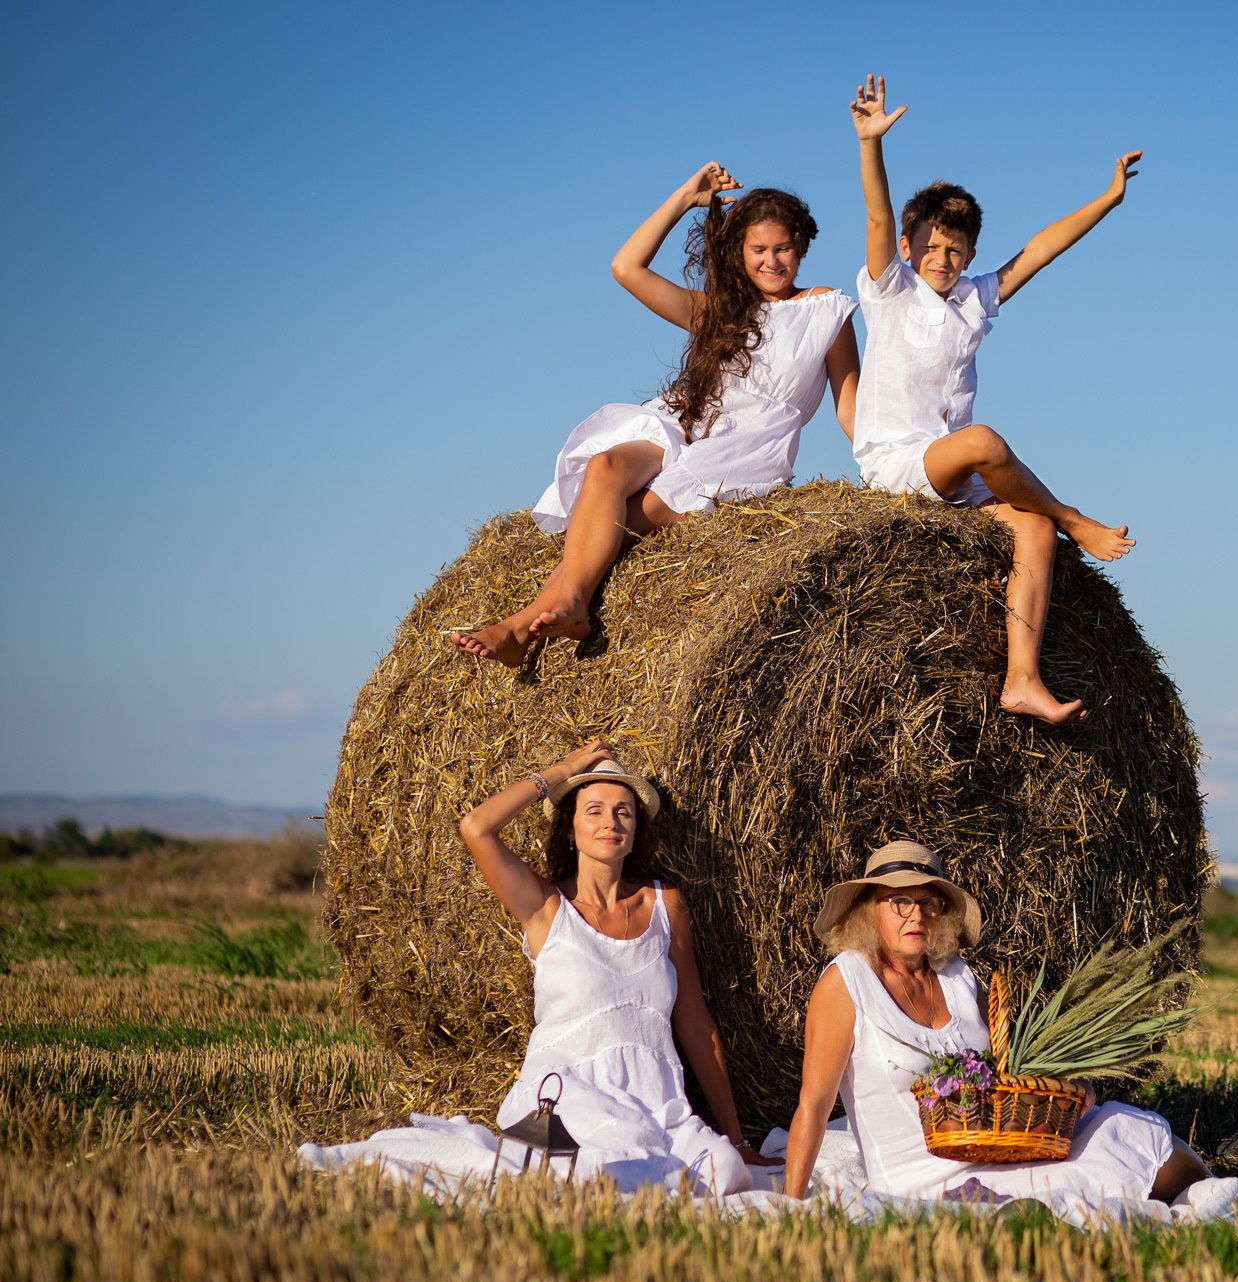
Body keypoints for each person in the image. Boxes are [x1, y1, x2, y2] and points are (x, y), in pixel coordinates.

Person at [300, 743, 768, 1196]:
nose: (611, 822)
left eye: (624, 811)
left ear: (636, 830)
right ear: (571, 829)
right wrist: (563, 771)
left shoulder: (666, 905)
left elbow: (694, 1023)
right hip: (567, 1093)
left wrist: (740, 1140)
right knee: (627, 1158)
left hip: (658, 1103)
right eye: (594, 810)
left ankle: (626, 1177)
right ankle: (604, 1176)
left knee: (725, 1171)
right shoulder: (548, 908)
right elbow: (476, 828)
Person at [451, 165, 860, 667]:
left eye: (783, 248)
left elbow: (850, 405)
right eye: (759, 250)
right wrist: (684, 199)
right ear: (740, 253)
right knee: (605, 468)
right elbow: (626, 268)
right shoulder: (720, 312)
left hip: (746, 446)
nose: (772, 261)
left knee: (633, 513)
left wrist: (895, 471)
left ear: (801, 246)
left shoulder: (827, 311)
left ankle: (524, 624)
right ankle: (560, 610)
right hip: (685, 421)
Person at [847, 76, 1139, 726]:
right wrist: (871, 146)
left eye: (955, 250)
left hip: (953, 478)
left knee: (1029, 528)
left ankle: (1022, 679)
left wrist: (1109, 200)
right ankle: (1074, 516)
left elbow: (1039, 248)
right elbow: (876, 214)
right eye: (929, 246)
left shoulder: (976, 298)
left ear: (971, 254)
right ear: (906, 246)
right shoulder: (889, 290)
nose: (941, 258)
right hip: (898, 464)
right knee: (986, 446)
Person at [777, 841, 1213, 1207]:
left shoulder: (956, 975)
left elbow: (1014, 1065)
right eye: (900, 902)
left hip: (1003, 1149)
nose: (917, 914)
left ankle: (1217, 1203)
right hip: (924, 1182)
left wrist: (1074, 1082)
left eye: (930, 901)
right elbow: (813, 1103)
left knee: (1128, 1130)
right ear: (870, 910)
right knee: (1090, 1175)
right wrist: (791, 1204)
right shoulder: (847, 983)